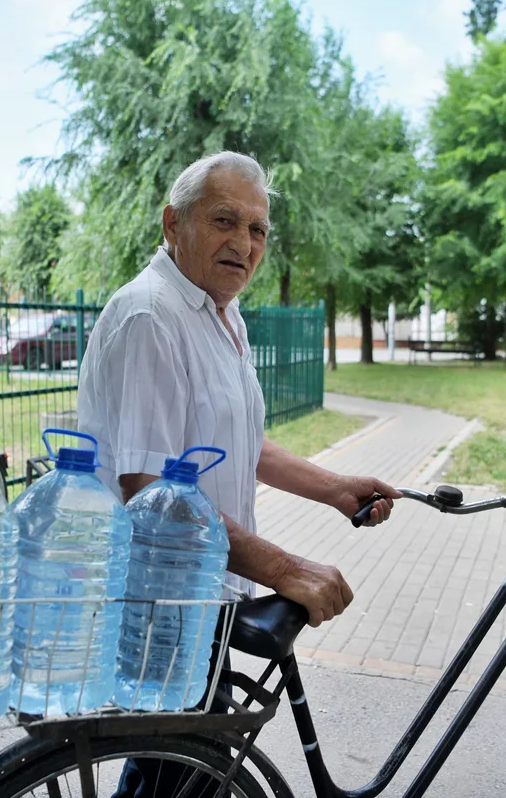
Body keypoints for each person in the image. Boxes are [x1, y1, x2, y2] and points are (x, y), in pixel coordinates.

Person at [78, 150, 399, 622]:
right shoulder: (150, 316)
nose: (243, 244)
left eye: (257, 230)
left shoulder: (220, 313)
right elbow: (152, 493)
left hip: (202, 595)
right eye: (224, 220)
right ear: (173, 224)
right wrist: (284, 569)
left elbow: (235, 440)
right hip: (151, 612)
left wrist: (335, 489)